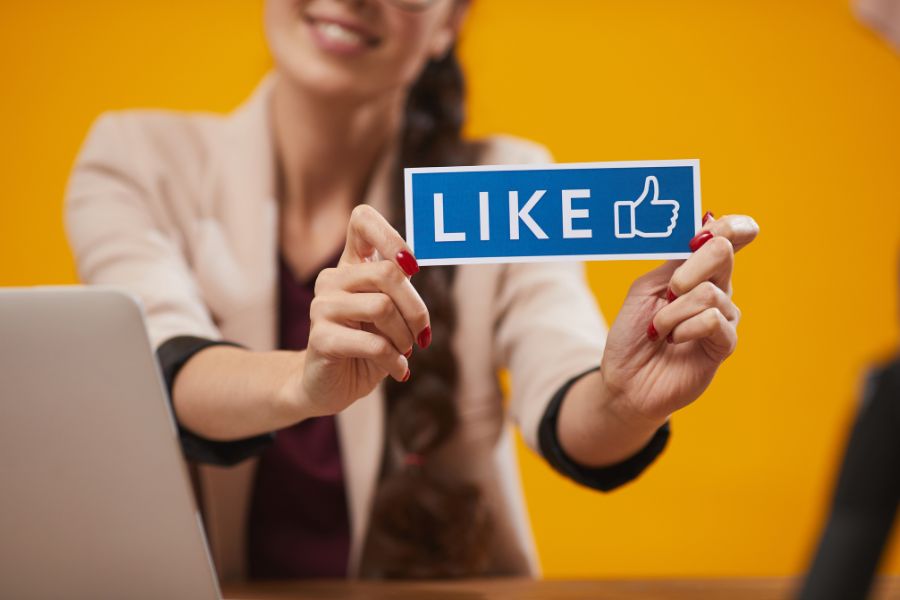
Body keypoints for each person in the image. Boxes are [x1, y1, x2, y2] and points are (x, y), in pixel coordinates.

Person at [65, 0, 759, 581]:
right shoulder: (134, 160)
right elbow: (164, 369)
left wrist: (624, 398)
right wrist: (305, 385)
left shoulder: (506, 182)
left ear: (449, 22)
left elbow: (567, 396)